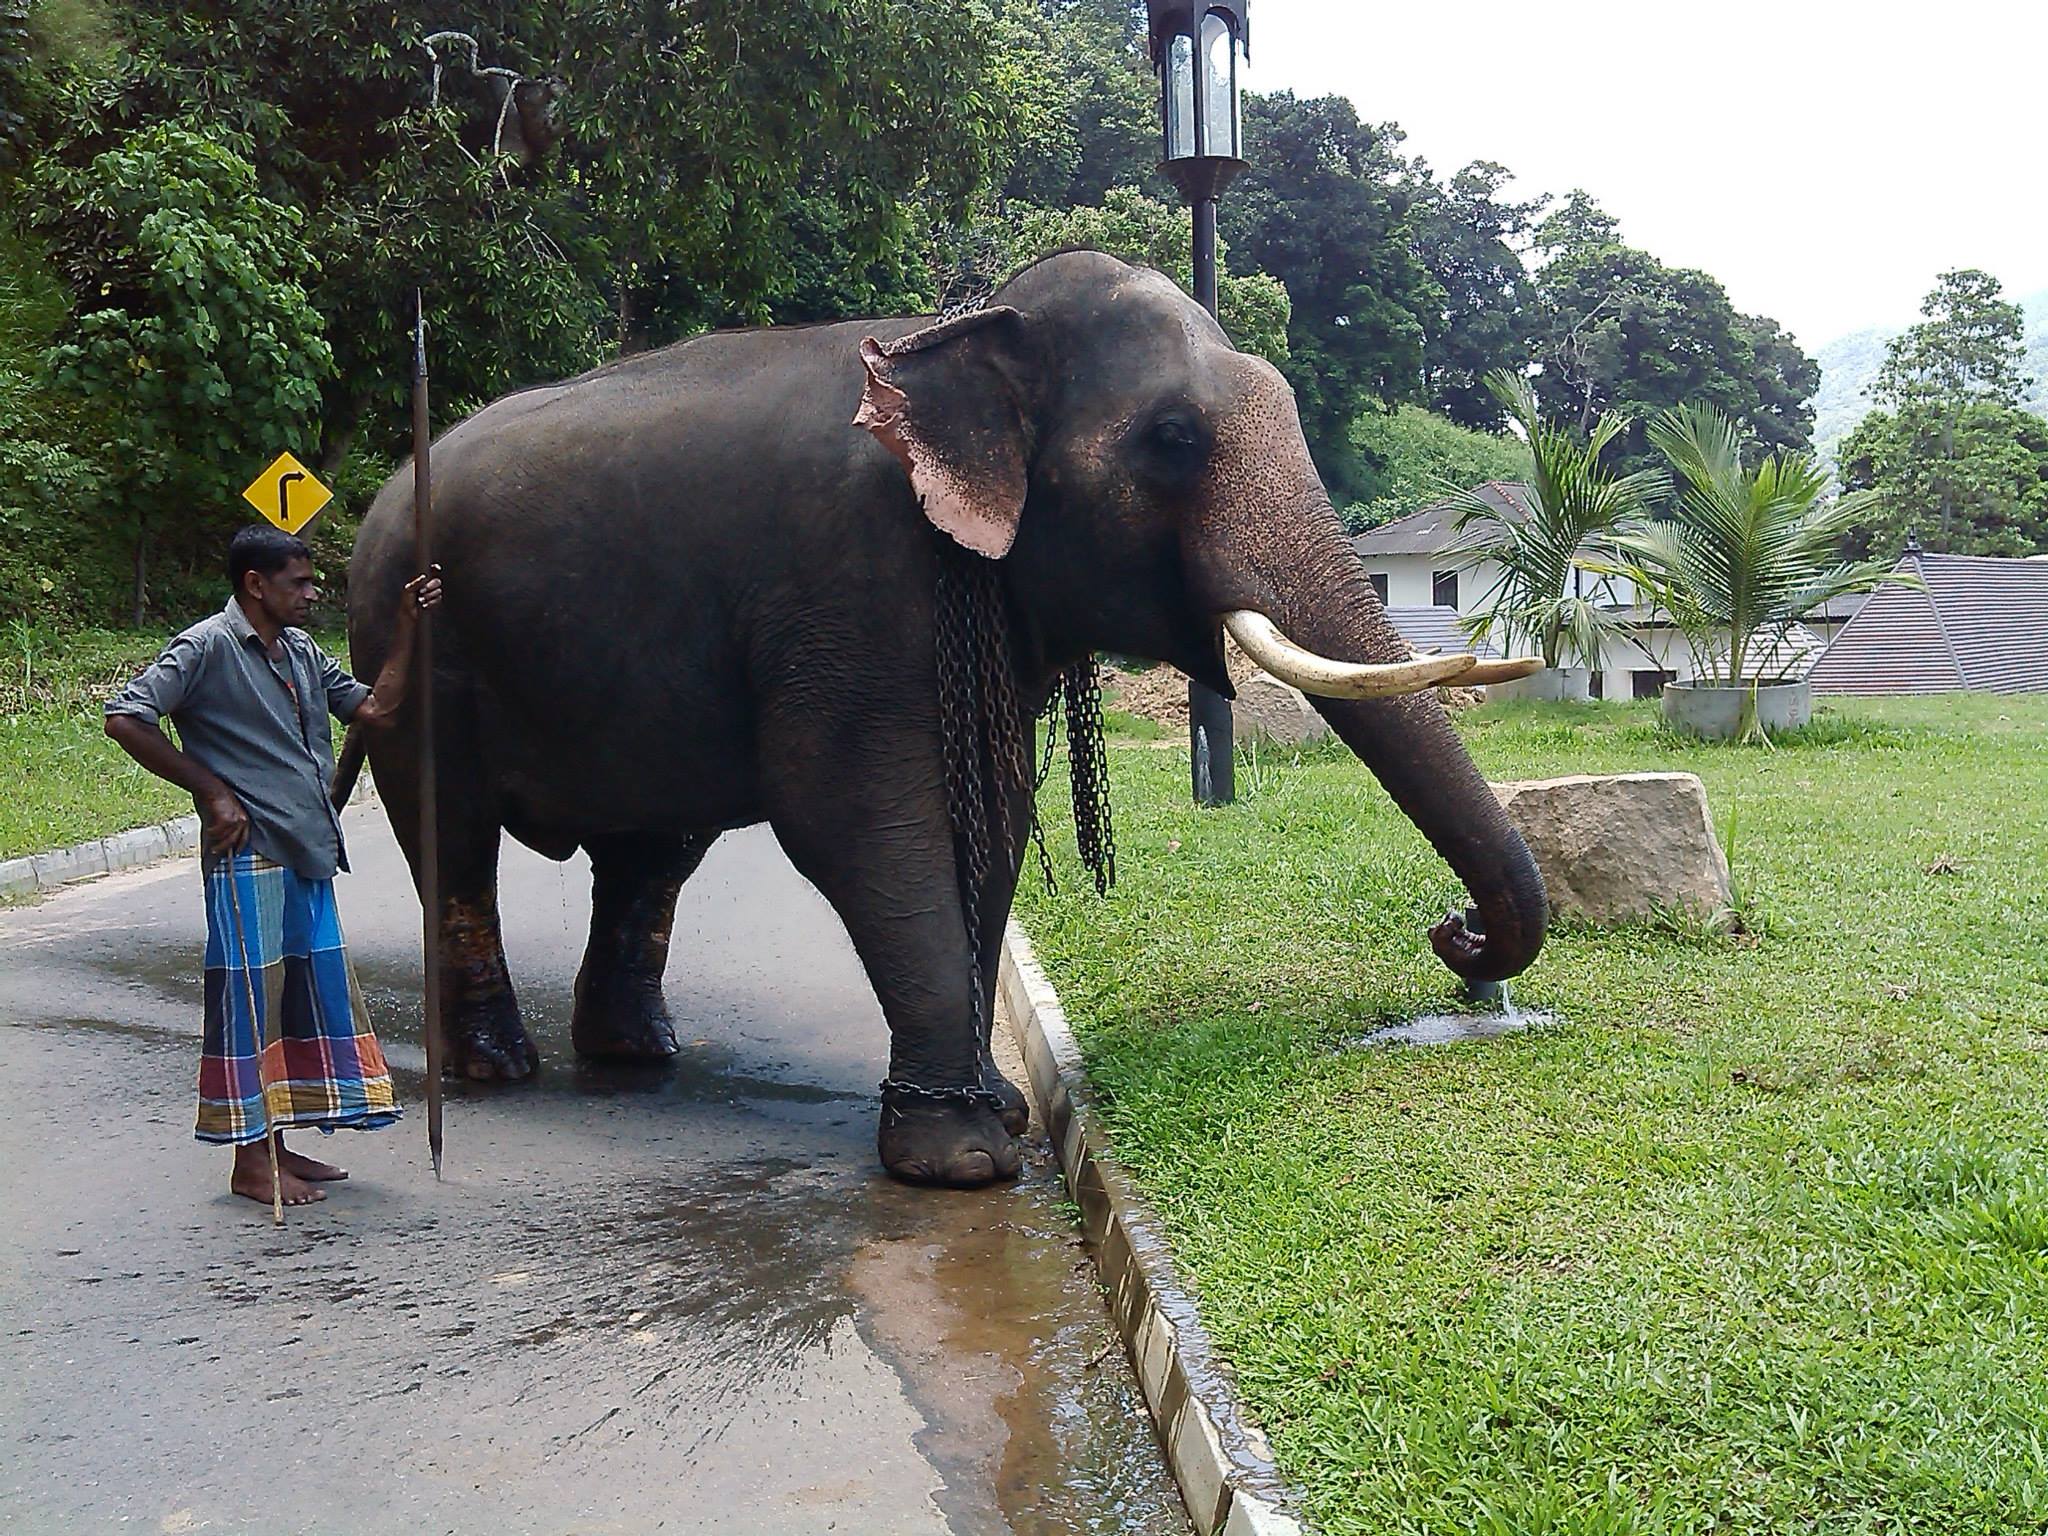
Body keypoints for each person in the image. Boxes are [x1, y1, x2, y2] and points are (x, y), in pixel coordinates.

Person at [106, 525, 441, 1209]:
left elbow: (375, 709)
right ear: (255, 584)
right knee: (251, 1003)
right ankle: (251, 1164)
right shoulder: (205, 647)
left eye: (313, 582)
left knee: (295, 1000)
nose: (312, 595)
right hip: (248, 853)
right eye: (300, 583)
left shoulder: (301, 652)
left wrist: (407, 628)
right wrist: (212, 790)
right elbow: (126, 716)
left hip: (306, 847)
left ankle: (277, 1144)